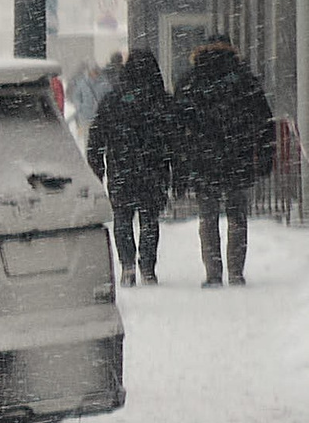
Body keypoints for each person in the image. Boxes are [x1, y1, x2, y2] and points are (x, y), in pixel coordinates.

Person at [173, 35, 274, 287]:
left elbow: (178, 123)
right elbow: (263, 120)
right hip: (236, 156)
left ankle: (213, 272)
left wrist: (181, 160)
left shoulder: (191, 80)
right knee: (237, 214)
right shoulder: (243, 78)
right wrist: (263, 155)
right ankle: (236, 271)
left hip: (203, 158)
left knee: (208, 216)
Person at [85, 49, 174, 286]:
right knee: (149, 219)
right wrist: (177, 169)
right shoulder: (162, 101)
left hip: (121, 170)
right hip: (153, 170)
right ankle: (147, 267)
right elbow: (174, 139)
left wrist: (97, 170)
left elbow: (96, 139)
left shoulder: (112, 101)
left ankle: (127, 265)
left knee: (122, 219)